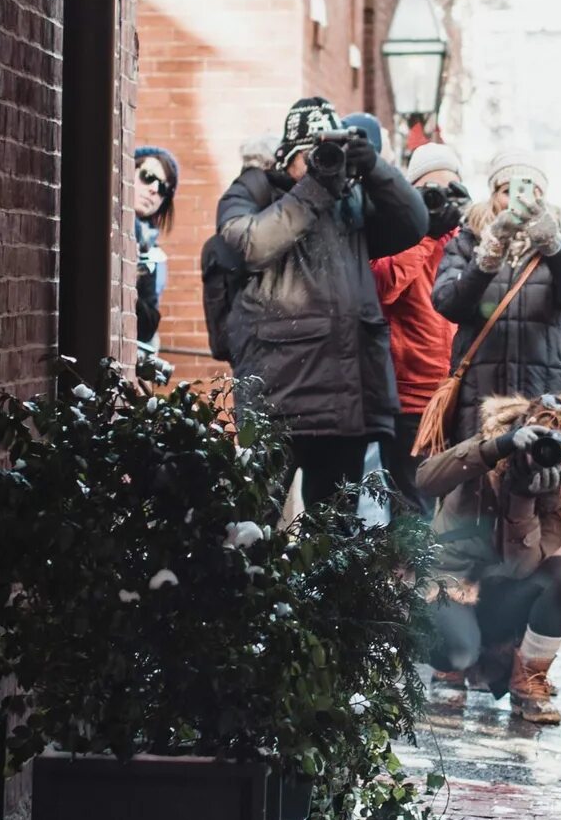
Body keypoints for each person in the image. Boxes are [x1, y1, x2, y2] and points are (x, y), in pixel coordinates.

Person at [214, 95, 424, 504]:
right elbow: (251, 244)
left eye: (332, 154)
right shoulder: (255, 190)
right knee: (253, 522)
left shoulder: (353, 203)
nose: (324, 163)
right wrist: (315, 188)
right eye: (312, 154)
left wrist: (376, 168)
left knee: (332, 534)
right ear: (288, 158)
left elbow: (413, 225)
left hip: (342, 403)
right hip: (276, 396)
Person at [415, 392, 561, 724]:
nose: (545, 453)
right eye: (539, 439)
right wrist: (497, 447)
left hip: (500, 597)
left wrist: (524, 497)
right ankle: (447, 670)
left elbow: (521, 568)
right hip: (447, 585)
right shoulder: (489, 444)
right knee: (460, 651)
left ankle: (527, 681)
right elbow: (425, 479)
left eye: (560, 448)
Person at [430, 154, 561, 444]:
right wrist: (488, 255)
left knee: (539, 484)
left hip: (541, 398)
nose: (520, 200)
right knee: (476, 483)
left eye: (532, 192)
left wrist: (553, 246)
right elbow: (447, 303)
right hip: (478, 398)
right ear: (493, 196)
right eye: (507, 191)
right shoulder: (467, 243)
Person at [377, 140, 469, 512]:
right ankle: (409, 573)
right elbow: (383, 286)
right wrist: (426, 235)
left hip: (457, 397)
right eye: (429, 191)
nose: (440, 199)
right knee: (412, 513)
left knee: (457, 517)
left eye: (449, 189)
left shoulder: (469, 239)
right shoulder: (396, 233)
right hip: (409, 399)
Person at [131, 144, 179, 348]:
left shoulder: (151, 253)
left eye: (163, 189)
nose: (153, 190)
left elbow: (146, 327)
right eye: (148, 176)